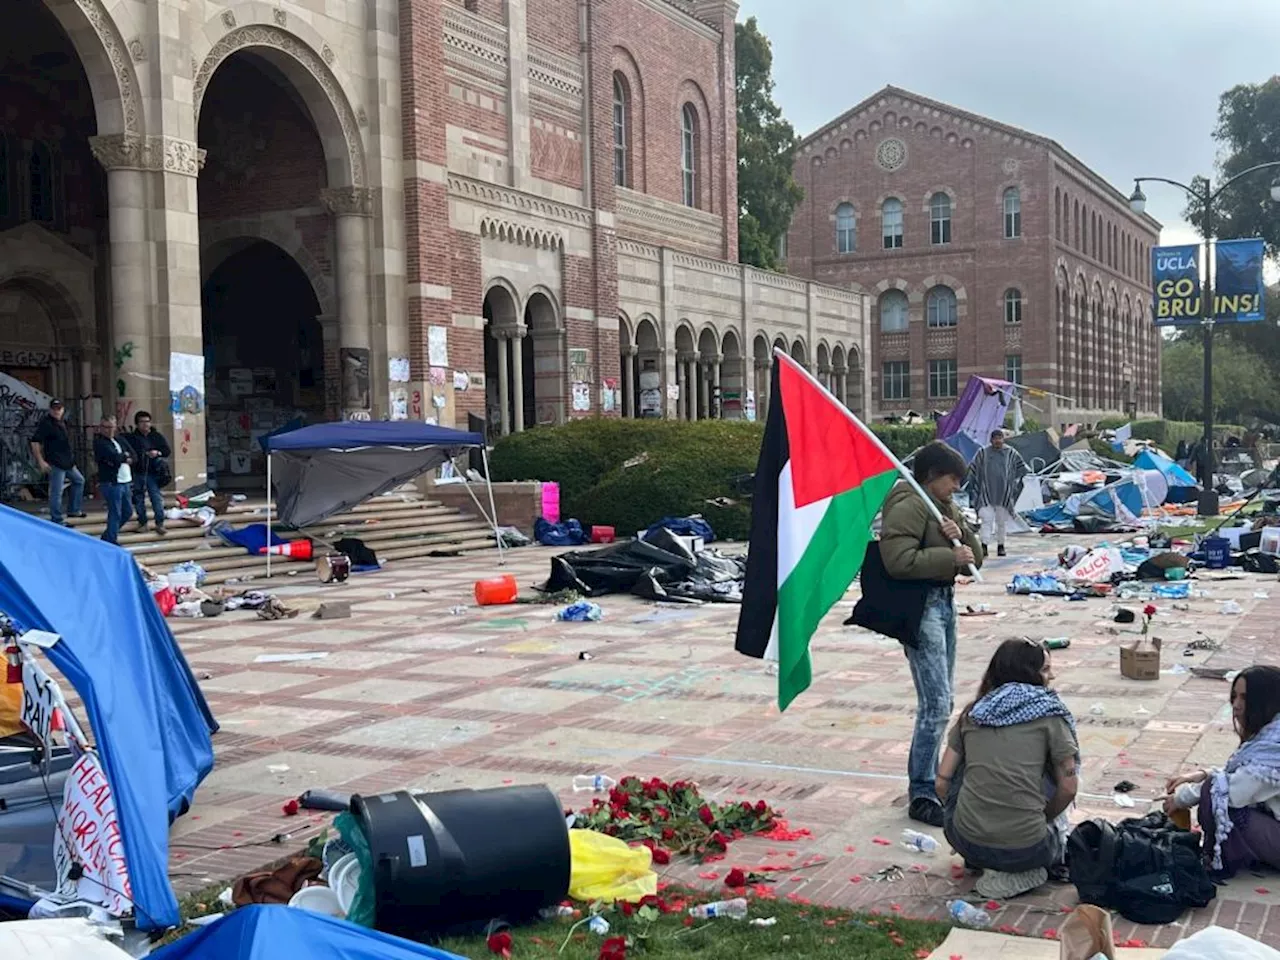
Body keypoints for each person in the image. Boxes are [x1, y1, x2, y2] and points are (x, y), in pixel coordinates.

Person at [879, 440, 984, 828]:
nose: (956, 487)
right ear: (931, 476)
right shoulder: (909, 504)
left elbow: (975, 556)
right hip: (921, 607)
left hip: (944, 603)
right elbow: (898, 560)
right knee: (936, 703)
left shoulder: (941, 506)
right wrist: (948, 558)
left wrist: (964, 538)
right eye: (951, 479)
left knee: (943, 699)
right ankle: (922, 789)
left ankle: (935, 779)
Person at [937, 639, 1079, 900]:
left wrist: (971, 814)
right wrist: (1043, 818)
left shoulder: (973, 713)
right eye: (1045, 670)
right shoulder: (1051, 715)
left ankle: (988, 860)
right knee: (1051, 781)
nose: (1052, 676)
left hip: (965, 840)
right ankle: (1023, 871)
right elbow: (1069, 788)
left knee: (964, 772)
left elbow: (941, 783)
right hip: (1030, 847)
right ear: (1026, 673)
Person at [1164, 665, 1280, 878]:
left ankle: (1227, 858)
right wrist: (1200, 774)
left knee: (1219, 802)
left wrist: (1182, 799)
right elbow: (1243, 773)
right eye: (1234, 697)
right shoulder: (1272, 732)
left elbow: (1234, 792)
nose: (1236, 706)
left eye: (1245, 698)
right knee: (1213, 788)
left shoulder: (1275, 746)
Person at [965, 429, 1028, 558]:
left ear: (1003, 439)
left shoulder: (1011, 453)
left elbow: (1022, 469)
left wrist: (1014, 485)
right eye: (995, 438)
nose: (998, 441)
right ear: (991, 440)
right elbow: (973, 470)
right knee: (986, 521)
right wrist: (972, 486)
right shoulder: (983, 453)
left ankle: (1001, 546)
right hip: (985, 494)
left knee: (1001, 523)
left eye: (1000, 438)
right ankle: (984, 546)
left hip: (1004, 494)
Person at [29, 399, 85, 526]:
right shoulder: (46, 424)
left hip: (67, 462)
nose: (57, 411)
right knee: (56, 491)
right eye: (54, 409)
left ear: (63, 410)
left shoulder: (63, 423)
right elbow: (35, 441)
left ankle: (74, 510)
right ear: (50, 410)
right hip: (55, 462)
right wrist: (41, 461)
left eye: (59, 409)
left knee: (79, 480)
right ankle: (57, 519)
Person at [123, 410, 171, 535]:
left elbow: (166, 450)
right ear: (137, 424)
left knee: (156, 498)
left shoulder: (156, 436)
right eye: (142, 422)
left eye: (147, 422)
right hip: (139, 472)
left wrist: (157, 453)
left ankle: (159, 523)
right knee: (138, 498)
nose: (145, 425)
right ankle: (142, 522)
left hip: (153, 472)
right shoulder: (132, 438)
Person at [92, 415, 134, 545]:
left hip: (125, 480)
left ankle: (108, 536)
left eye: (112, 427)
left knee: (127, 511)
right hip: (111, 482)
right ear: (101, 428)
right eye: (106, 427)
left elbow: (133, 454)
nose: (109, 430)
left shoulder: (120, 440)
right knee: (115, 511)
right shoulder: (99, 442)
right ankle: (111, 539)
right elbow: (113, 457)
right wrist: (123, 457)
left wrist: (124, 457)